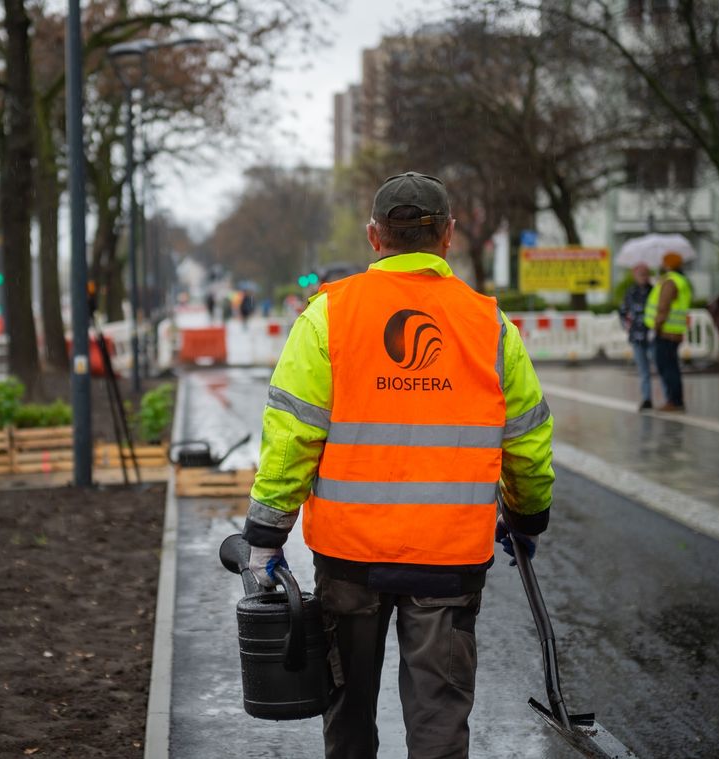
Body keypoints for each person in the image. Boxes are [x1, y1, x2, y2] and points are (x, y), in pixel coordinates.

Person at [242, 172, 554, 759]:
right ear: (449, 235)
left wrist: (265, 537)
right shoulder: (489, 326)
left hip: (350, 560)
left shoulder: (328, 317)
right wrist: (527, 517)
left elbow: (291, 438)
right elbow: (528, 440)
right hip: (449, 562)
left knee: (348, 709)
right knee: (439, 716)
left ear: (373, 236)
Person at [644, 252, 692, 412]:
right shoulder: (681, 280)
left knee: (667, 367)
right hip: (675, 331)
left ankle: (674, 401)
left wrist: (656, 327)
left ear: (668, 265)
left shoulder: (670, 281)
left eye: (664, 262)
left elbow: (663, 307)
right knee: (672, 366)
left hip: (665, 332)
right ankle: (676, 400)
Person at [618, 263, 654, 410]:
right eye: (640, 274)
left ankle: (669, 398)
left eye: (645, 274)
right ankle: (647, 399)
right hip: (637, 337)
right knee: (643, 370)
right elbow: (622, 311)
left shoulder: (654, 290)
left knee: (660, 368)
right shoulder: (631, 292)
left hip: (652, 336)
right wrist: (627, 327)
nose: (643, 277)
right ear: (635, 275)